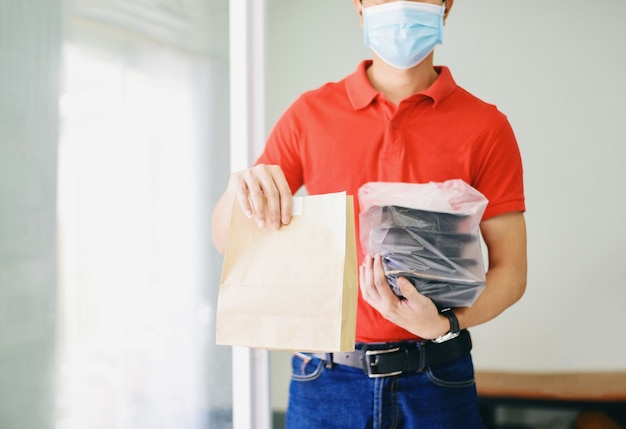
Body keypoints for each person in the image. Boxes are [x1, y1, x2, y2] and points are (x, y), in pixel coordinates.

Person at [212, 0, 527, 427]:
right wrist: (238, 190)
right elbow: (226, 239)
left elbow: (511, 272)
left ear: (446, 5)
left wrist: (445, 323)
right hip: (325, 381)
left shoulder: (486, 126)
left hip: (438, 379)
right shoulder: (309, 115)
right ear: (359, 6)